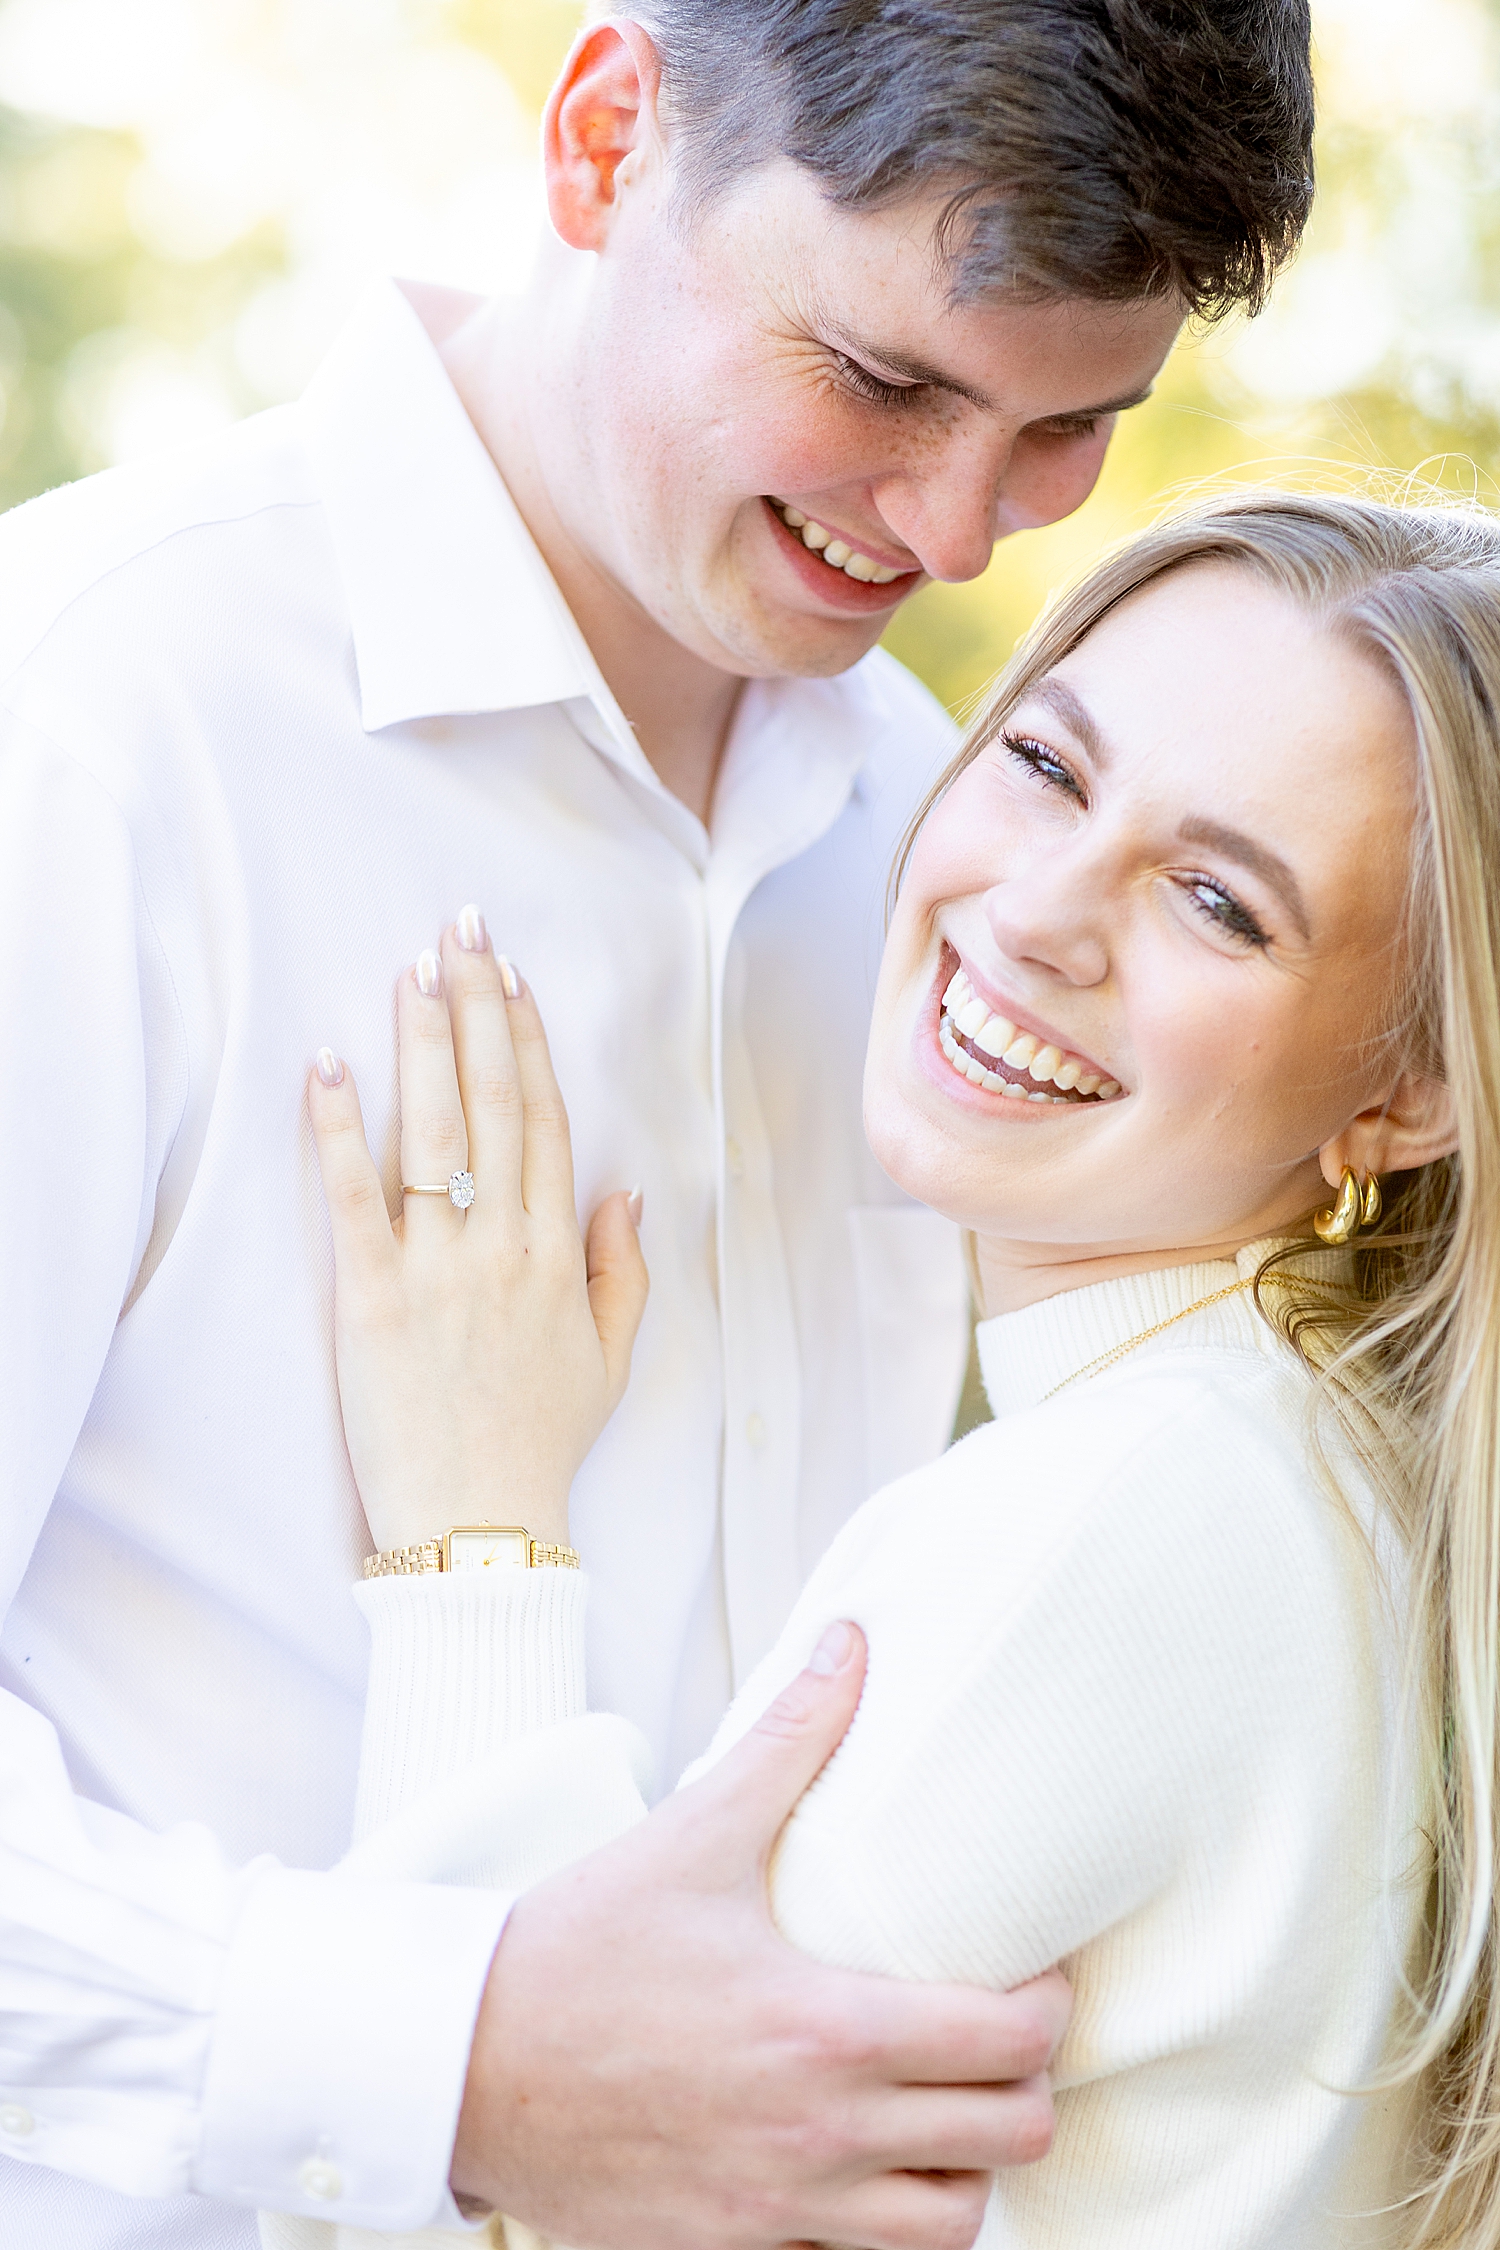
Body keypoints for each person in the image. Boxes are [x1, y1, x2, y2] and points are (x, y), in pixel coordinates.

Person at [0, 4, 1313, 2245]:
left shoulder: (960, 864)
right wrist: (460, 2057)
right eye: (889, 382)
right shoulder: (89, 730)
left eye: (1071, 428)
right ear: (609, 139)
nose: (961, 527)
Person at [308, 487, 1500, 2250]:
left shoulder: (1108, 1523)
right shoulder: (1324, 1474)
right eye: (1046, 765)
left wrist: (473, 1536)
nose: (1037, 913)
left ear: (1406, 1096)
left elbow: (529, 2193)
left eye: (1214, 900)